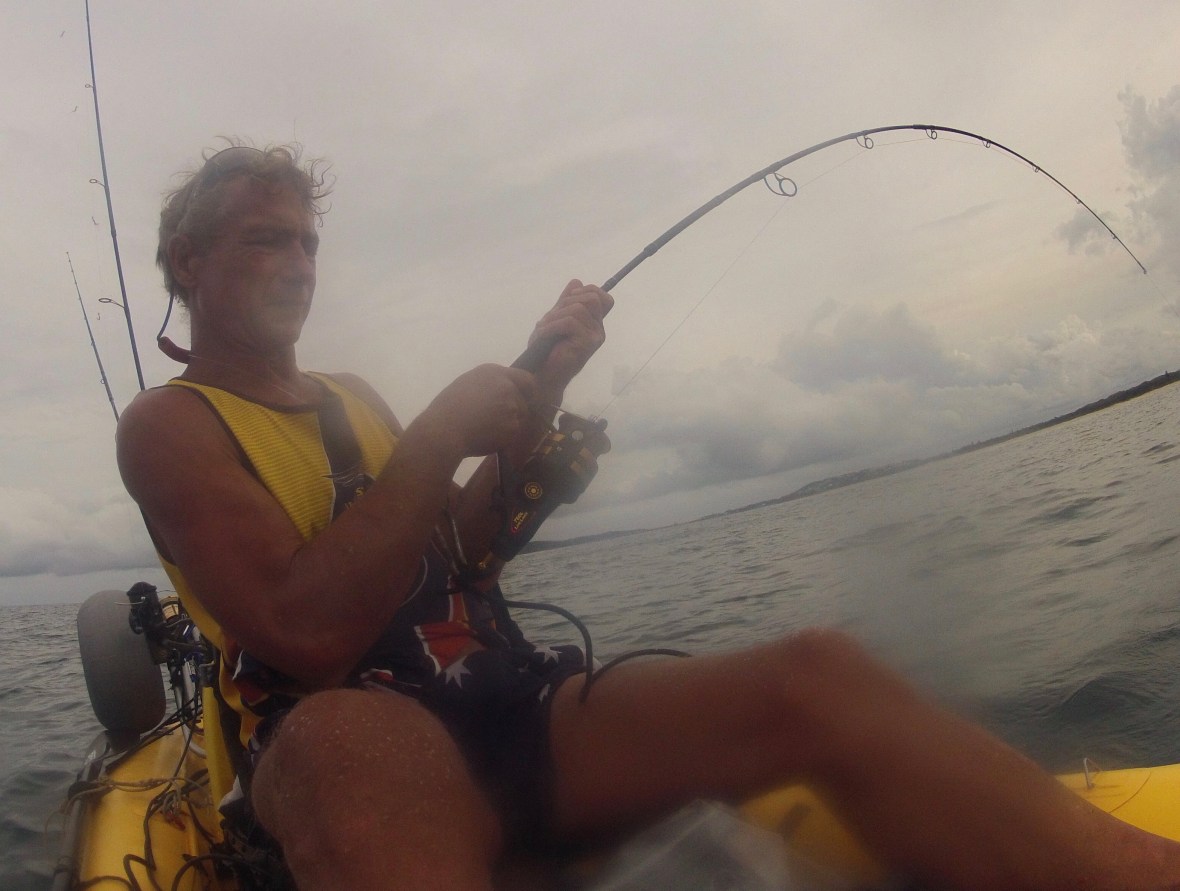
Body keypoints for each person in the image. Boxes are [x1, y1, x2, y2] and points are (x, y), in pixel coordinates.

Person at [117, 143, 1180, 891]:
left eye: (308, 242)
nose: (301, 264)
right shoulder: (169, 425)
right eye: (267, 240)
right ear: (190, 262)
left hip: (504, 706)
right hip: (354, 747)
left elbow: (453, 560)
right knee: (343, 737)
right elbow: (301, 630)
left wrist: (538, 396)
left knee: (815, 669)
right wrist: (440, 433)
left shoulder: (352, 397)